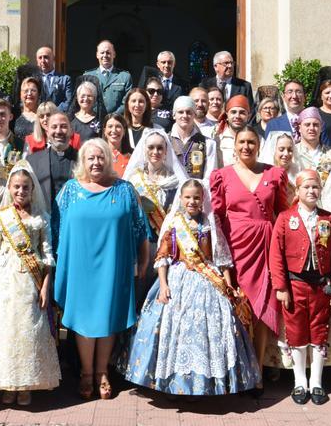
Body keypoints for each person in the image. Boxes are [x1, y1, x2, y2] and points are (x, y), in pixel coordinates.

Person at [119, 179, 260, 396]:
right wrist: (164, 285)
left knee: (210, 329)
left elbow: (221, 258)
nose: (192, 201)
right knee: (170, 327)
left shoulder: (211, 224)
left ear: (203, 199)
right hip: (178, 279)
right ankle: (171, 381)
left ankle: (206, 384)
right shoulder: (174, 223)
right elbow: (164, 257)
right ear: (181, 199)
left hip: (207, 280)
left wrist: (228, 286)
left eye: (196, 197)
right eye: (188, 197)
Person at [53, 138, 149, 400]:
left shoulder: (125, 190)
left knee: (108, 318)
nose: (96, 162)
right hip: (79, 268)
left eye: (100, 157)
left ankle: (102, 372)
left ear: (108, 159)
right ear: (82, 162)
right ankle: (86, 373)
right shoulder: (69, 191)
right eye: (90, 158)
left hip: (113, 266)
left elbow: (141, 230)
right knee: (83, 321)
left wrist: (142, 262)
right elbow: (55, 230)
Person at [211, 127, 288, 380]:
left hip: (265, 246)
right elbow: (218, 217)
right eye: (241, 142)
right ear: (234, 145)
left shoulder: (274, 174)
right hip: (235, 249)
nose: (246, 146)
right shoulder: (221, 176)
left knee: (262, 308)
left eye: (251, 142)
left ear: (258, 145)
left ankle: (257, 370)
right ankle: (236, 369)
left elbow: (282, 214)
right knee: (236, 305)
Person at [0, 161, 61, 405]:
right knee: (7, 331)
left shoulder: (42, 218)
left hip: (31, 281)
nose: (20, 191)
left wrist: (45, 287)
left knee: (29, 330)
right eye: (16, 187)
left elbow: (48, 255)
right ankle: (8, 382)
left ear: (32, 189)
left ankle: (26, 383)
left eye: (25, 187)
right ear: (9, 189)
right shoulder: (1, 217)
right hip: (5, 280)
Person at [269, 169, 331, 406]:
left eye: (315, 187)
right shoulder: (285, 218)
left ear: (320, 190)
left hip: (321, 286)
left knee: (319, 333)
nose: (311, 191)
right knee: (296, 333)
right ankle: (300, 381)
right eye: (306, 187)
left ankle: (317, 382)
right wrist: (281, 287)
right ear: (298, 191)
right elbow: (276, 255)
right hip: (295, 285)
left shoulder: (329, 219)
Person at [123, 128, 189, 306]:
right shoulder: (133, 180)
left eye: (160, 148)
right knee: (137, 294)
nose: (155, 152)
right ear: (144, 150)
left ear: (166, 151)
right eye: (151, 147)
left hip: (167, 246)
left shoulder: (176, 181)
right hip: (139, 246)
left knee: (162, 297)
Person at [29, 112, 78, 214]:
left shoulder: (83, 160)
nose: (58, 131)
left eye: (64, 126)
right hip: (44, 222)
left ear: (71, 131)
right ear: (47, 132)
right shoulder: (32, 162)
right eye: (54, 127)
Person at [168, 96, 218, 182]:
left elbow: (209, 177)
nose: (185, 115)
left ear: (194, 115)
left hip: (196, 193)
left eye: (189, 112)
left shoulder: (208, 143)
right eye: (180, 112)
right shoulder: (165, 141)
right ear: (174, 115)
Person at [294, 107, 331, 183]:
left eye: (315, 125)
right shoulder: (293, 153)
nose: (311, 128)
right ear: (299, 128)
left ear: (321, 128)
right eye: (307, 125)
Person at [214, 95, 266, 167]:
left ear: (249, 116)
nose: (237, 116)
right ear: (227, 115)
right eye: (233, 112)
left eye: (242, 113)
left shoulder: (259, 140)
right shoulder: (218, 138)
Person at [83, 40, 132, 114]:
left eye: (108, 53)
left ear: (114, 54)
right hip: (93, 120)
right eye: (102, 53)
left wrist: (113, 117)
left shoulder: (125, 77)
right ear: (97, 55)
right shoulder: (87, 76)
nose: (105, 55)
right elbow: (83, 99)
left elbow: (127, 101)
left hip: (117, 121)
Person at [36, 46, 73, 111]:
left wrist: (54, 113)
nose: (43, 60)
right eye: (40, 58)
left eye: (46, 57)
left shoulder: (65, 79)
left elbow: (68, 101)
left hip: (57, 117)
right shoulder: (33, 80)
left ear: (53, 59)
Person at [11, 76, 44, 142]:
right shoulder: (14, 114)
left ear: (39, 94)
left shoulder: (44, 115)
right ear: (20, 94)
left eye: (33, 90)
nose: (29, 94)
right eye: (26, 91)